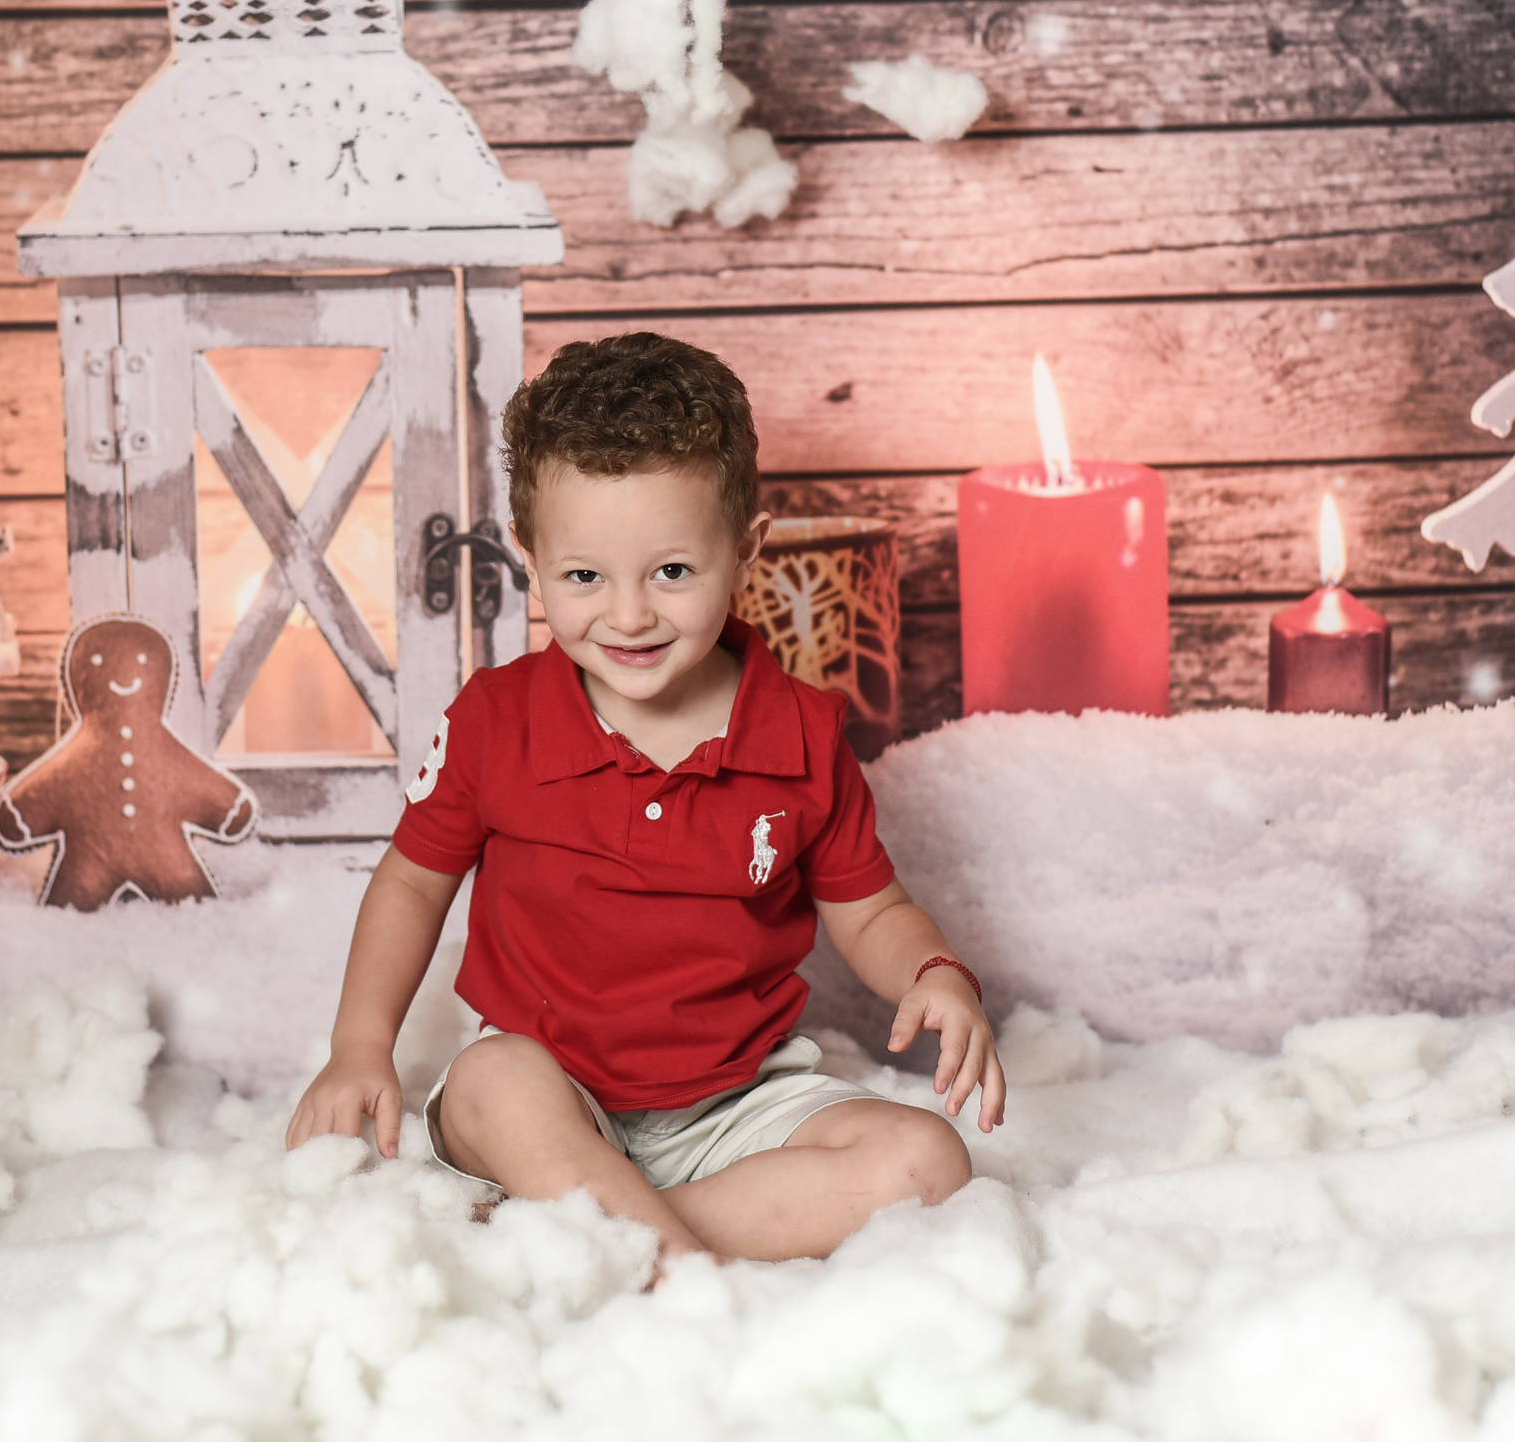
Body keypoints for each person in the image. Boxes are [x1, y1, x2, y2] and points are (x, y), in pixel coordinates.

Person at [286, 332, 1003, 1267]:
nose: (628, 616)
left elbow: (870, 910)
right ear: (531, 559)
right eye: (584, 576)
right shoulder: (496, 721)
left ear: (744, 549)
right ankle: (667, 1258)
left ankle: (591, 1232)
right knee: (490, 1080)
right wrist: (358, 1046)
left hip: (737, 1103)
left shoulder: (798, 734)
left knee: (927, 1162)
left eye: (672, 571)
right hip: (551, 1097)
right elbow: (414, 885)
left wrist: (934, 971)